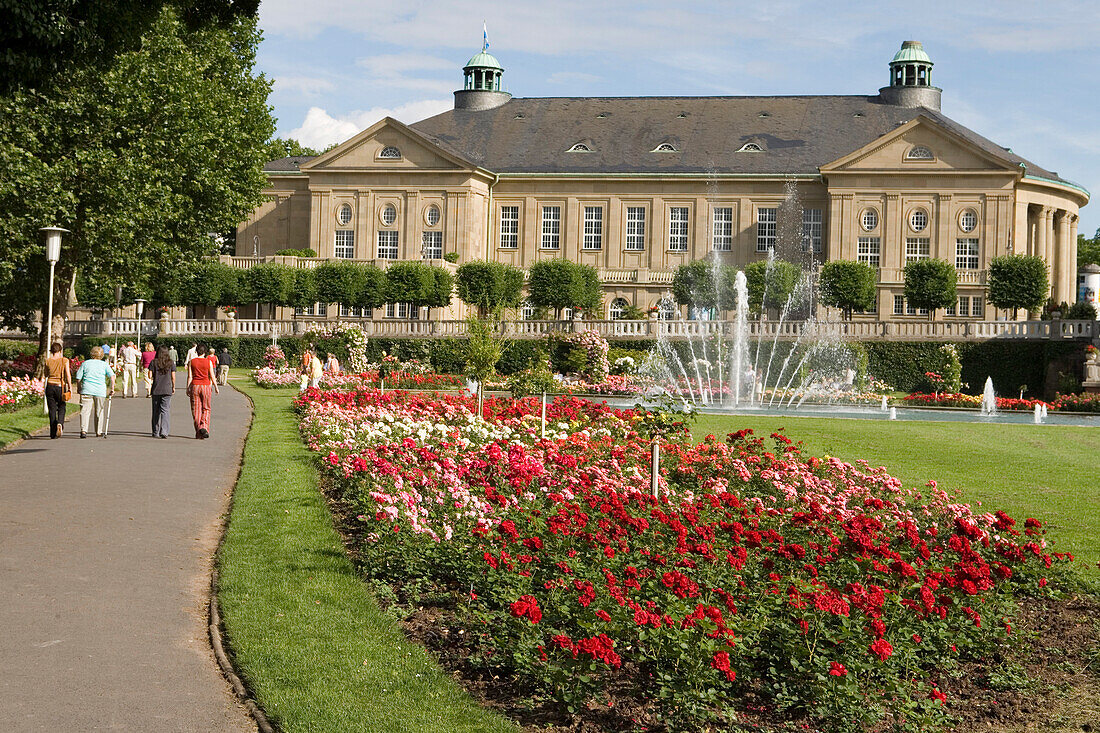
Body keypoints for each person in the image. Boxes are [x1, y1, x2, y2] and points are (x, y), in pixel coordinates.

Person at [75, 346, 115, 438]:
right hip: (100, 390)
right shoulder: (104, 364)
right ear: (101, 355)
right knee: (99, 411)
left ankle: (84, 430)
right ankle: (98, 431)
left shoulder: (85, 363)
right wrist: (112, 388)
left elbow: (78, 377)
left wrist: (79, 387)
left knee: (85, 410)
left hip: (87, 389)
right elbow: (112, 376)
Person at [186, 344, 218, 439]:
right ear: (205, 352)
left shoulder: (192, 362)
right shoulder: (208, 362)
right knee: (206, 408)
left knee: (196, 410)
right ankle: (204, 426)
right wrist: (216, 386)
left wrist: (187, 387)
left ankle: (199, 431)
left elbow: (190, 376)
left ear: (196, 351)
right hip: (206, 385)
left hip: (195, 385)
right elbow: (212, 375)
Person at [44, 343, 72, 439]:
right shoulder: (64, 360)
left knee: (52, 409)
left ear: (51, 351)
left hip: (50, 386)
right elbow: (68, 375)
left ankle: (52, 432)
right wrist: (70, 387)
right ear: (60, 351)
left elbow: (46, 374)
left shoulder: (48, 361)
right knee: (61, 406)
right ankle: (60, 423)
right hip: (61, 386)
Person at [150, 345, 176, 438]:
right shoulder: (171, 362)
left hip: (156, 389)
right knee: (165, 410)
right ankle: (164, 431)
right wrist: (173, 387)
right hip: (167, 388)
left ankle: (155, 431)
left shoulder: (154, 362)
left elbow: (150, 375)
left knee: (156, 411)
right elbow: (173, 377)